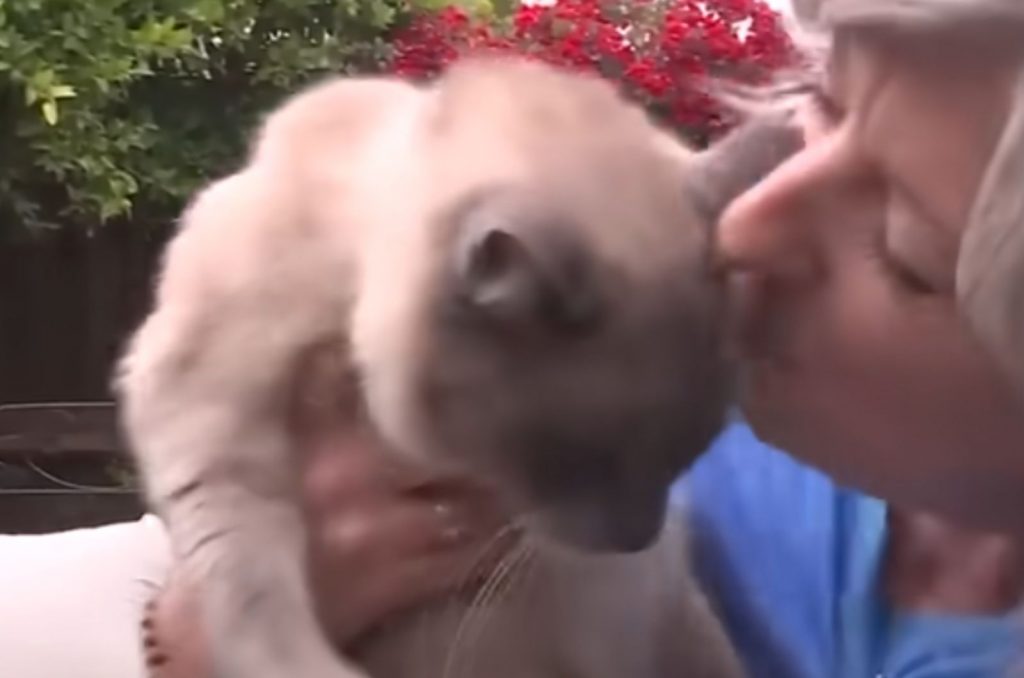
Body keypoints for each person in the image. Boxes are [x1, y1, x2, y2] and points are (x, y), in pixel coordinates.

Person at [4, 1, 1024, 676]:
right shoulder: (690, 351)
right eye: (819, 110)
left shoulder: (643, 418)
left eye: (898, 247)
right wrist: (194, 641)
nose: (748, 227)